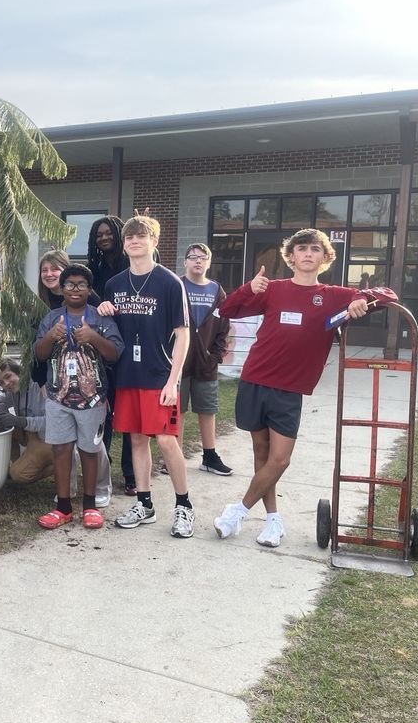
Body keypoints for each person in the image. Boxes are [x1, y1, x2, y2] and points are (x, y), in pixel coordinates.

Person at [213, 228, 370, 548]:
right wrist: (248, 288)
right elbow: (226, 310)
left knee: (280, 459)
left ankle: (238, 511)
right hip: (255, 379)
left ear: (325, 257)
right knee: (262, 455)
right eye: (301, 248)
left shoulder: (332, 294)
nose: (308, 253)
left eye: (315, 249)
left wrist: (362, 298)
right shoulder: (273, 289)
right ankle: (273, 521)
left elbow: (386, 295)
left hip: (289, 389)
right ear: (291, 256)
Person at [98, 213, 195, 538]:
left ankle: (184, 506)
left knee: (166, 441)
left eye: (141, 236)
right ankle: (145, 503)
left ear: (154, 241)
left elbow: (183, 335)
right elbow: (109, 329)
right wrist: (103, 310)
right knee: (136, 439)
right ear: (124, 245)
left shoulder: (170, 282)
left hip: (159, 376)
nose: (134, 241)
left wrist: (173, 381)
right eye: (129, 237)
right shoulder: (114, 284)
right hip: (127, 376)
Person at [34, 264, 123, 529]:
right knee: (61, 450)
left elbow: (114, 353)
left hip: (92, 400)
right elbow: (39, 354)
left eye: (81, 284)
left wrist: (93, 337)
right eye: (70, 284)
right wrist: (51, 336)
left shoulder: (100, 319)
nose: (75, 289)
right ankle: (63, 507)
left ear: (89, 289)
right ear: (61, 289)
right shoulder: (51, 319)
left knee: (90, 450)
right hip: (57, 399)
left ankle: (90, 506)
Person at [87, 216, 137, 497]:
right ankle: (100, 473)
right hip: (102, 349)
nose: (104, 238)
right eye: (99, 235)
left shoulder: (128, 266)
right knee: (103, 413)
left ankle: (129, 474)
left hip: (129, 345)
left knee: (127, 414)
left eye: (108, 233)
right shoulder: (94, 268)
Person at [177, 243, 234, 476]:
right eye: (193, 257)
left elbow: (224, 325)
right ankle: (176, 457)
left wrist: (217, 355)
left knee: (207, 409)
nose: (197, 261)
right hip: (178, 362)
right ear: (185, 262)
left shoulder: (217, 290)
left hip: (206, 362)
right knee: (177, 410)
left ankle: (209, 457)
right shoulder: (176, 285)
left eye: (203, 258)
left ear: (209, 263)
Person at [0, 359, 53, 486]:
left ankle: (61, 465)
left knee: (17, 475)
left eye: (8, 376)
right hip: (30, 435)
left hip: (47, 439)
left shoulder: (38, 386)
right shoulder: (13, 391)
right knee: (6, 428)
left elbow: (52, 422)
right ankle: (20, 463)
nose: (7, 384)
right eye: (1, 382)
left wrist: (20, 421)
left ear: (18, 372)